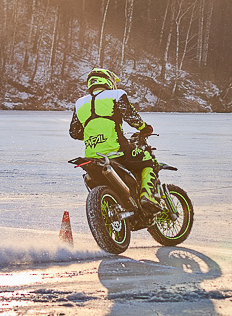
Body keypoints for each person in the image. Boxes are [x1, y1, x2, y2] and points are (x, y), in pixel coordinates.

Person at [68, 67, 163, 210]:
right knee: (148, 160)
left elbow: (74, 132)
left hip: (92, 156)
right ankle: (146, 197)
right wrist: (145, 128)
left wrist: (95, 134)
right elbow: (132, 118)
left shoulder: (80, 103)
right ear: (108, 80)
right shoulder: (116, 94)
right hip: (119, 151)